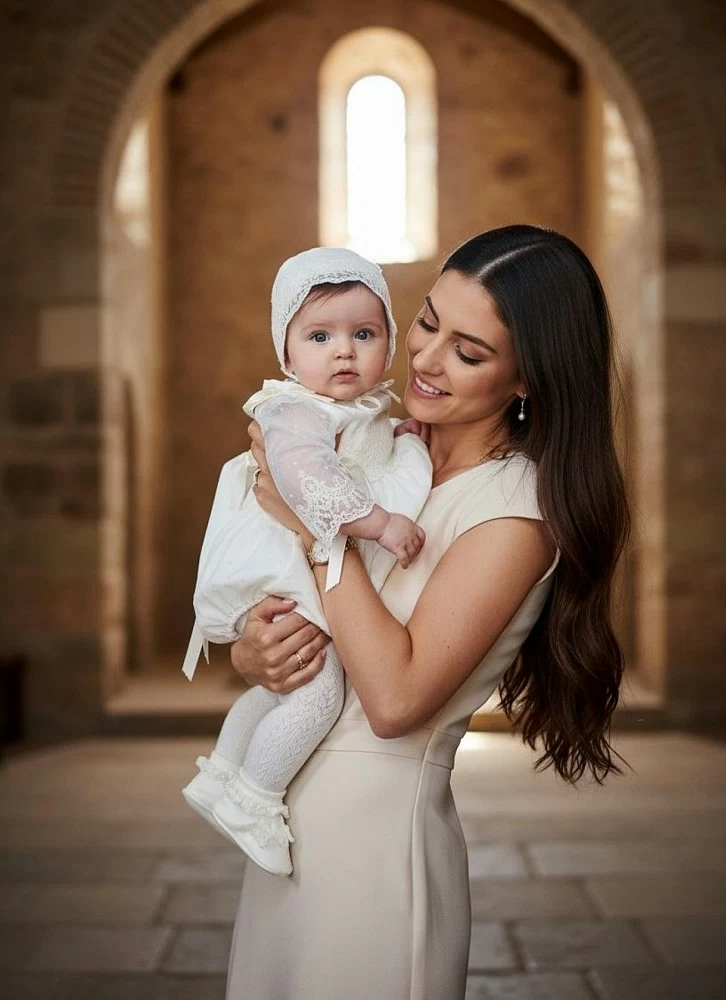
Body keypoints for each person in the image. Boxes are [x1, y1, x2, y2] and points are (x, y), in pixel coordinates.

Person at [225, 226, 630, 1000]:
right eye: (428, 320)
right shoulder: (378, 449)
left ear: (527, 380)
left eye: (468, 352)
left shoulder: (513, 512)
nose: (427, 357)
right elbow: (321, 626)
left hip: (375, 847)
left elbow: (396, 700)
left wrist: (318, 529)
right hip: (288, 833)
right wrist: (257, 653)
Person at [181, 247, 432, 876]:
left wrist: (400, 439)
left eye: (364, 334)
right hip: (275, 569)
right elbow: (305, 477)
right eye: (320, 335)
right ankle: (255, 801)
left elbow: (362, 456)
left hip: (291, 569)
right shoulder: (292, 409)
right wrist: (378, 522)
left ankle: (221, 778)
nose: (343, 351)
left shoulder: (358, 412)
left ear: (389, 343)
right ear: (287, 354)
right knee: (317, 689)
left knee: (282, 686)